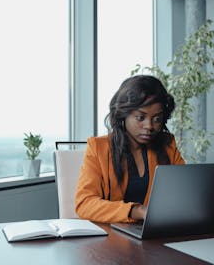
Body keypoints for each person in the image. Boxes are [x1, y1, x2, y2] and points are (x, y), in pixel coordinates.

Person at [75, 75, 185, 223]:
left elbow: (185, 193)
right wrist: (137, 211)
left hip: (157, 232)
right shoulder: (98, 148)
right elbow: (84, 204)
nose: (149, 126)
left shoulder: (168, 144)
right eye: (140, 118)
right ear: (123, 115)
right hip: (112, 237)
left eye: (157, 119)